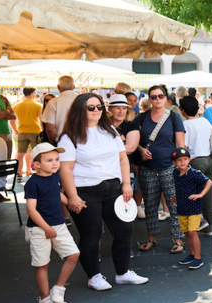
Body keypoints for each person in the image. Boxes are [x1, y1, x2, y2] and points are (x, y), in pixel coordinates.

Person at [58, 93, 147, 291]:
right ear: (80, 109)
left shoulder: (110, 131)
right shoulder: (69, 136)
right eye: (91, 107)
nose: (96, 110)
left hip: (114, 188)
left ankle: (123, 273)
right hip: (85, 190)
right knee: (92, 234)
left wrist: (126, 184)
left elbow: (123, 159)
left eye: (99, 106)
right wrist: (72, 196)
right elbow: (65, 169)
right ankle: (94, 276)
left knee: (125, 230)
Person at [129, 85, 187, 254]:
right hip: (147, 168)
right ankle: (151, 239)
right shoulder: (142, 118)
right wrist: (140, 150)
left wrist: (181, 168)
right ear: (149, 99)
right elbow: (134, 140)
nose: (157, 99)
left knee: (174, 205)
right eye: (153, 97)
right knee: (150, 205)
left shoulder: (174, 118)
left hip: (170, 168)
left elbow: (180, 145)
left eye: (160, 96)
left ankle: (178, 240)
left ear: (166, 97)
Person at [24, 143, 80, 303]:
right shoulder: (32, 184)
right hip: (39, 229)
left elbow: (57, 194)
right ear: (37, 164)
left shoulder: (55, 177)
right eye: (49, 160)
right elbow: (31, 210)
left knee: (73, 254)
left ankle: (59, 288)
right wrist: (47, 228)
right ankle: (44, 299)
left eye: (57, 159)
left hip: (59, 225)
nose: (55, 163)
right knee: (42, 264)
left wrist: (71, 201)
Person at [170, 147, 212, 270]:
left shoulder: (194, 173)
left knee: (193, 232)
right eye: (179, 160)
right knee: (186, 232)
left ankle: (198, 258)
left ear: (189, 160)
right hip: (182, 207)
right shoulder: (176, 173)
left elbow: (208, 182)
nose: (182, 162)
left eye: (185, 159)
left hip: (194, 207)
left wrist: (201, 194)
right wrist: (175, 196)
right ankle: (192, 254)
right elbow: (179, 186)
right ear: (174, 162)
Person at [181, 96, 212, 234]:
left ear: (183, 111)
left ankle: (199, 223)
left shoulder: (185, 125)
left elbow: (184, 147)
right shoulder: (205, 121)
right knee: (206, 194)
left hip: (195, 161)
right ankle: (209, 225)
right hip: (209, 159)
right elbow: (211, 138)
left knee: (192, 193)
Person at [14, 87, 43, 177]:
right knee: (37, 154)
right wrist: (42, 130)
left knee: (20, 153)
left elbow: (11, 120)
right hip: (35, 131)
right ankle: (38, 172)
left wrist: (15, 130)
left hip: (22, 131)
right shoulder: (38, 105)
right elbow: (41, 119)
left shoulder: (16, 106)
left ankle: (18, 173)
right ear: (32, 93)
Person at [0, 74, 16, 161]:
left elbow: (13, 116)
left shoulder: (3, 98)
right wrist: (6, 112)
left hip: (7, 133)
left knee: (7, 160)